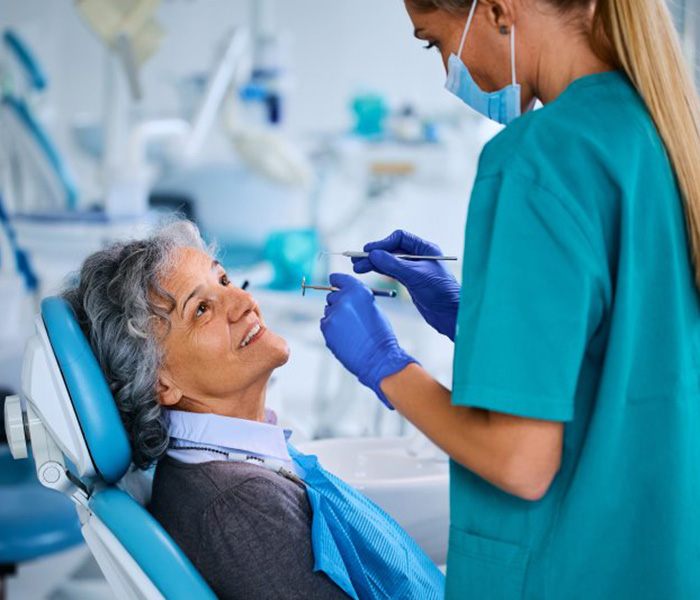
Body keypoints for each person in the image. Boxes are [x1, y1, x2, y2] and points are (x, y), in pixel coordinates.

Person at [320, 0, 700, 598]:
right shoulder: (660, 133)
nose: (447, 68)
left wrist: (385, 366)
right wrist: (475, 320)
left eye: (433, 42)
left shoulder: (536, 158)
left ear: (497, 10)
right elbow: (621, 364)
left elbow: (520, 462)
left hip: (569, 570)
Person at [62, 220, 444, 600]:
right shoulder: (239, 508)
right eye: (201, 310)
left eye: (225, 281)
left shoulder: (232, 466)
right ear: (161, 384)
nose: (244, 302)